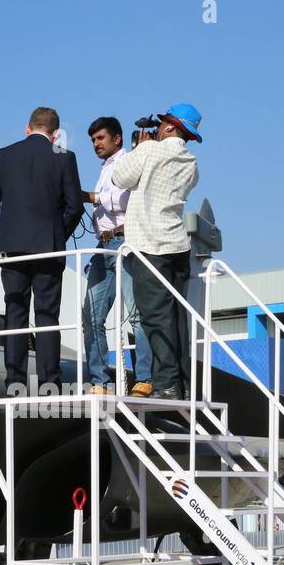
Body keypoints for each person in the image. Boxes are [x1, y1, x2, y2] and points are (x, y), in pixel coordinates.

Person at [0, 107, 84, 391]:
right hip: (48, 248)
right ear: (55, 134)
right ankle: (50, 380)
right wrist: (56, 234)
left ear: (27, 128)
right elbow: (74, 207)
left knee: (15, 311)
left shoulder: (3, 155)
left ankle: (15, 379)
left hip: (10, 247)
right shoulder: (64, 157)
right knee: (47, 314)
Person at [111, 103, 201, 399]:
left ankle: (166, 385)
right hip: (177, 244)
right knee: (176, 317)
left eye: (161, 124)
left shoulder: (150, 151)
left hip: (149, 244)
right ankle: (182, 383)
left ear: (170, 127)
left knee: (155, 316)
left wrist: (140, 147)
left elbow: (120, 177)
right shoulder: (191, 163)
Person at [79, 117, 152, 397]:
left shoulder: (129, 162)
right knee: (91, 316)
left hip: (125, 242)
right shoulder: (106, 167)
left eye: (100, 138)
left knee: (136, 313)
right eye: (94, 140)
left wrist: (91, 197)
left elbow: (121, 200)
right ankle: (100, 381)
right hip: (103, 245)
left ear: (117, 139)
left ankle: (144, 379)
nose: (96, 144)